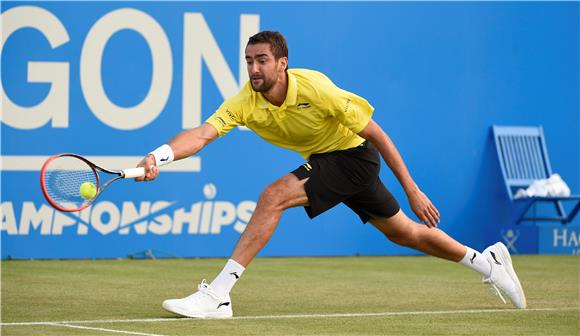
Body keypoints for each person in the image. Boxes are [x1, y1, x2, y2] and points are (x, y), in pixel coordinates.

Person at [136, 31, 526, 318]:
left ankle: (219, 295)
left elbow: (375, 133)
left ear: (282, 63)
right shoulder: (245, 101)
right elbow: (203, 134)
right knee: (404, 232)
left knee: (273, 195)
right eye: (249, 61)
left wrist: (412, 188)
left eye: (262, 60)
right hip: (332, 162)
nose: (254, 68)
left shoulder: (316, 89)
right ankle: (488, 263)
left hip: (354, 157)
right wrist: (160, 155)